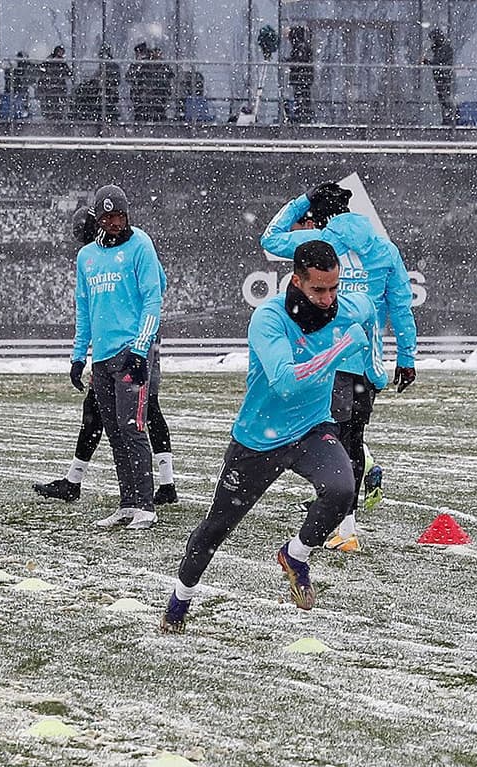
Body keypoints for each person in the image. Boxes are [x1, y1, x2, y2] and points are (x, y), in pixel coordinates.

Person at [161, 240, 386, 633]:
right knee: (215, 529)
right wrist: (343, 348)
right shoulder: (269, 318)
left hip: (314, 429)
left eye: (334, 288)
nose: (328, 298)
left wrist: (375, 366)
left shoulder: (349, 307)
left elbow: (369, 310)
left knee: (341, 490)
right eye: (318, 289)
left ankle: (295, 556)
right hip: (259, 439)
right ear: (296, 281)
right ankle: (180, 598)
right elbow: (285, 382)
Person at [260, 180, 417, 552]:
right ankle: (346, 519)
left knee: (321, 436)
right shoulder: (383, 248)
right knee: (350, 438)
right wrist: (407, 356)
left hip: (321, 357)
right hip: (364, 361)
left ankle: (339, 515)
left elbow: (270, 237)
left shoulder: (315, 246)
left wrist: (302, 199)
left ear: (320, 216)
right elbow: (400, 306)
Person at [34, 205, 177, 505]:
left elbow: (157, 287)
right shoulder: (93, 255)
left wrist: (137, 327)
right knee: (132, 411)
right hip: (117, 344)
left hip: (139, 338)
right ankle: (161, 484)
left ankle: (152, 489)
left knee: (137, 411)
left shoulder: (135, 246)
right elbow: (86, 308)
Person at [71, 185, 165, 530]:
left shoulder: (141, 244)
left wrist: (141, 351)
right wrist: (78, 356)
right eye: (106, 216)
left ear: (128, 215)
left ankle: (146, 505)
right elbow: (84, 309)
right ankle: (127, 503)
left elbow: (153, 299)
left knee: (133, 427)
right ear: (97, 218)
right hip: (102, 357)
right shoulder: (87, 258)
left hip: (130, 352)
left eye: (119, 215)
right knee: (113, 431)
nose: (113, 222)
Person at [421, 28, 455, 125]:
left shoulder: (445, 49)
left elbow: (439, 62)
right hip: (440, 77)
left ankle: (449, 119)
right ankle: (447, 118)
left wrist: (427, 61)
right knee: (442, 98)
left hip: (444, 77)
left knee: (445, 98)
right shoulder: (440, 48)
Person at [286, 26, 314, 123]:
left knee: (301, 97)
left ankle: (303, 117)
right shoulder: (301, 46)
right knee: (302, 97)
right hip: (302, 78)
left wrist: (291, 62)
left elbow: (300, 61)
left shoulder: (300, 47)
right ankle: (303, 116)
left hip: (301, 78)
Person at [38, 45, 72, 121]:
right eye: (60, 52)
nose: (61, 54)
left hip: (57, 86)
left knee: (56, 101)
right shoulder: (51, 61)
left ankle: (56, 115)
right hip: (53, 86)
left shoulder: (60, 62)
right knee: (52, 101)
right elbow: (42, 69)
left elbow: (69, 73)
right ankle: (52, 115)